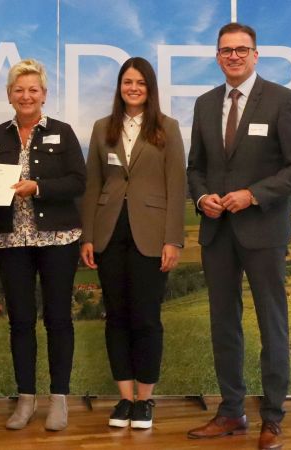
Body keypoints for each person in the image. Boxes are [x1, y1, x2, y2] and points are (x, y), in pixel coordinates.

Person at [184, 23, 291, 450]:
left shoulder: (281, 100)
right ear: (217, 56)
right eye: (226, 50)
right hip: (216, 232)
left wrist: (253, 195)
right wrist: (202, 197)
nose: (234, 56)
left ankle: (272, 419)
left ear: (255, 55)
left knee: (272, 324)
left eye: (242, 50)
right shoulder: (204, 105)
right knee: (224, 324)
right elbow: (195, 168)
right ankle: (231, 412)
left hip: (264, 230)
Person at [79, 57, 186, 431]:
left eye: (140, 82)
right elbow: (93, 185)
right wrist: (88, 236)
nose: (134, 88)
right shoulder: (101, 128)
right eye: (128, 81)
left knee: (146, 318)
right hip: (109, 234)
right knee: (117, 317)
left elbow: (177, 187)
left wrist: (174, 239)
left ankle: (145, 399)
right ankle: (124, 399)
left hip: (152, 234)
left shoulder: (167, 128)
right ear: (119, 86)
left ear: (150, 87)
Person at [0, 59, 85, 432]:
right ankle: (26, 398)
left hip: (58, 239)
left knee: (58, 318)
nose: (26, 96)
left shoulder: (63, 132)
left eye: (33, 90)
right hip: (11, 240)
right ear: (9, 95)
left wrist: (38, 187)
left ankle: (59, 399)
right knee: (20, 321)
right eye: (18, 90)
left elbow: (78, 181)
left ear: (44, 94)